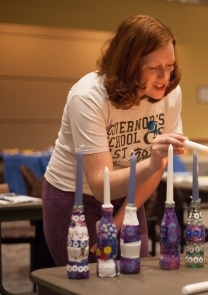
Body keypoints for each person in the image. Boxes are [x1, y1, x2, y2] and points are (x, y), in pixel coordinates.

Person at [42, 15, 188, 266]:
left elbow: (156, 166)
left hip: (130, 195)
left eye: (170, 65)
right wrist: (153, 163)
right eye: (154, 67)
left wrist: (119, 219)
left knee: (134, 275)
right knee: (81, 282)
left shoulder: (170, 95)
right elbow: (101, 183)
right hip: (74, 196)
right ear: (129, 65)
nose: (165, 76)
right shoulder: (88, 96)